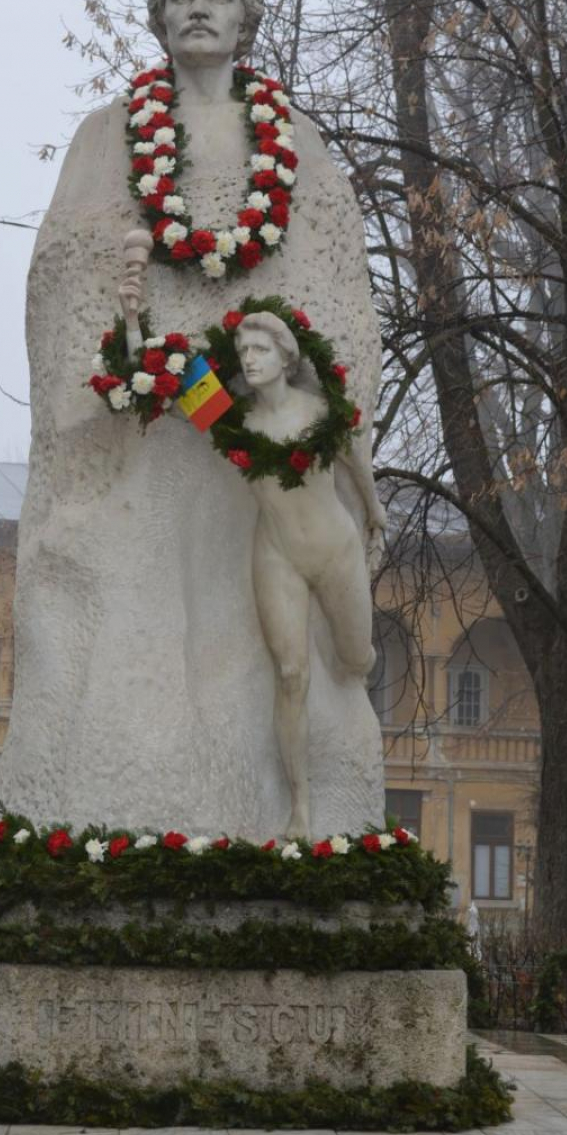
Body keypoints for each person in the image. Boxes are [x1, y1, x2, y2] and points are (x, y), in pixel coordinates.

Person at [0, 0, 386, 838]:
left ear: (245, 15)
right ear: (161, 15)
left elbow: (337, 289)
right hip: (153, 432)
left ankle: (291, 818)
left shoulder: (297, 143)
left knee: (290, 656)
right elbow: (61, 264)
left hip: (260, 449)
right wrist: (136, 348)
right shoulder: (108, 135)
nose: (198, 7)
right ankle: (102, 821)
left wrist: (293, 385)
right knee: (132, 617)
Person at [235, 312, 381, 834]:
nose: (249, 359)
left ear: (286, 357)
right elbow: (168, 388)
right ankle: (300, 806)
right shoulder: (237, 423)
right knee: (292, 675)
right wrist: (136, 321)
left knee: (353, 658)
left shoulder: (319, 411)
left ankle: (360, 651)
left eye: (259, 350)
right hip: (277, 556)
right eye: (243, 351)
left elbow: (355, 462)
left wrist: (376, 513)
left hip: (335, 550)